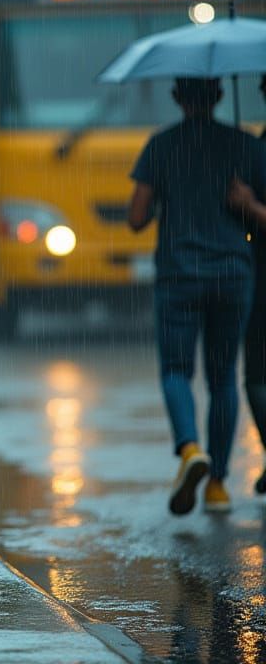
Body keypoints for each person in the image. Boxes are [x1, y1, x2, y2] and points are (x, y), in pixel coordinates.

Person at [128, 76, 266, 515]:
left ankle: (190, 451)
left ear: (176, 97)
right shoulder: (246, 146)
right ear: (221, 96)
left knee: (176, 369)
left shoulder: (161, 145)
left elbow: (135, 217)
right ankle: (220, 484)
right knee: (223, 377)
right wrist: (244, 201)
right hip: (233, 273)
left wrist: (164, 198)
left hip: (179, 273)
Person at [228, 74, 266, 495]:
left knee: (256, 376)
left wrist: (250, 207)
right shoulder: (256, 145)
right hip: (259, 275)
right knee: (254, 374)